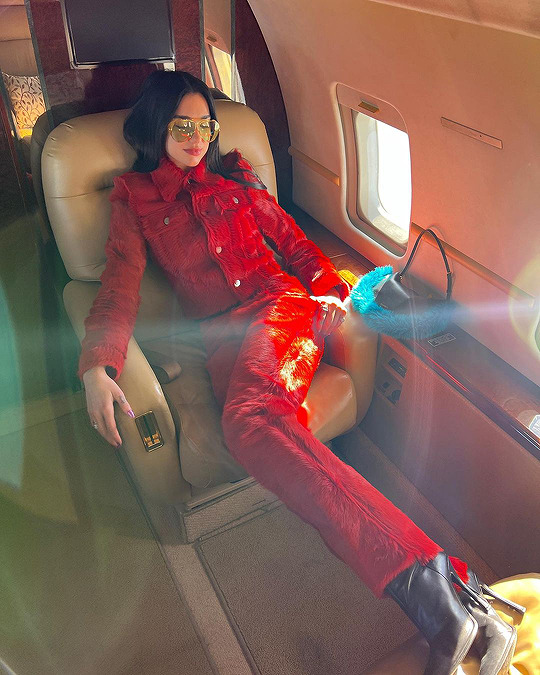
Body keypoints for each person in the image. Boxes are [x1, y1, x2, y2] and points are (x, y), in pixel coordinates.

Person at [78, 71, 519, 675]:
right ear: (157, 128)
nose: (198, 138)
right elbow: (118, 285)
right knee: (254, 430)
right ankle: (459, 591)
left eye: (206, 125)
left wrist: (330, 291)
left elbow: (295, 242)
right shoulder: (134, 198)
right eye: (182, 126)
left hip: (282, 309)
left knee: (250, 422)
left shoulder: (237, 178)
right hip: (222, 342)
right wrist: (98, 365)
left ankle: (433, 595)